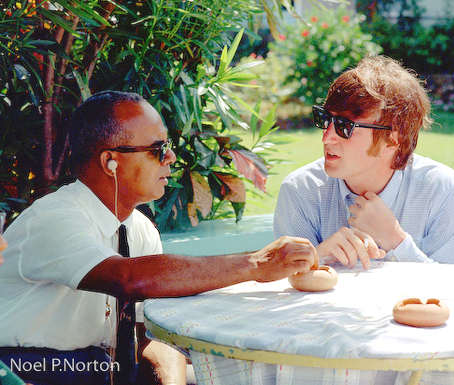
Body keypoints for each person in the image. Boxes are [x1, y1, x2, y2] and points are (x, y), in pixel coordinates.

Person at [0, 91, 317, 385]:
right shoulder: (55, 218)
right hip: (28, 370)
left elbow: (152, 341)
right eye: (158, 149)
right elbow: (128, 279)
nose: (171, 159)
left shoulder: (139, 230)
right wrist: (255, 265)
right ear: (110, 161)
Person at [274, 55, 454, 269]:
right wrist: (317, 258)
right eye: (326, 120)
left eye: (345, 126)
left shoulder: (439, 188)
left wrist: (396, 240)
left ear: (392, 139)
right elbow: (281, 291)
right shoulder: (301, 190)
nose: (327, 137)